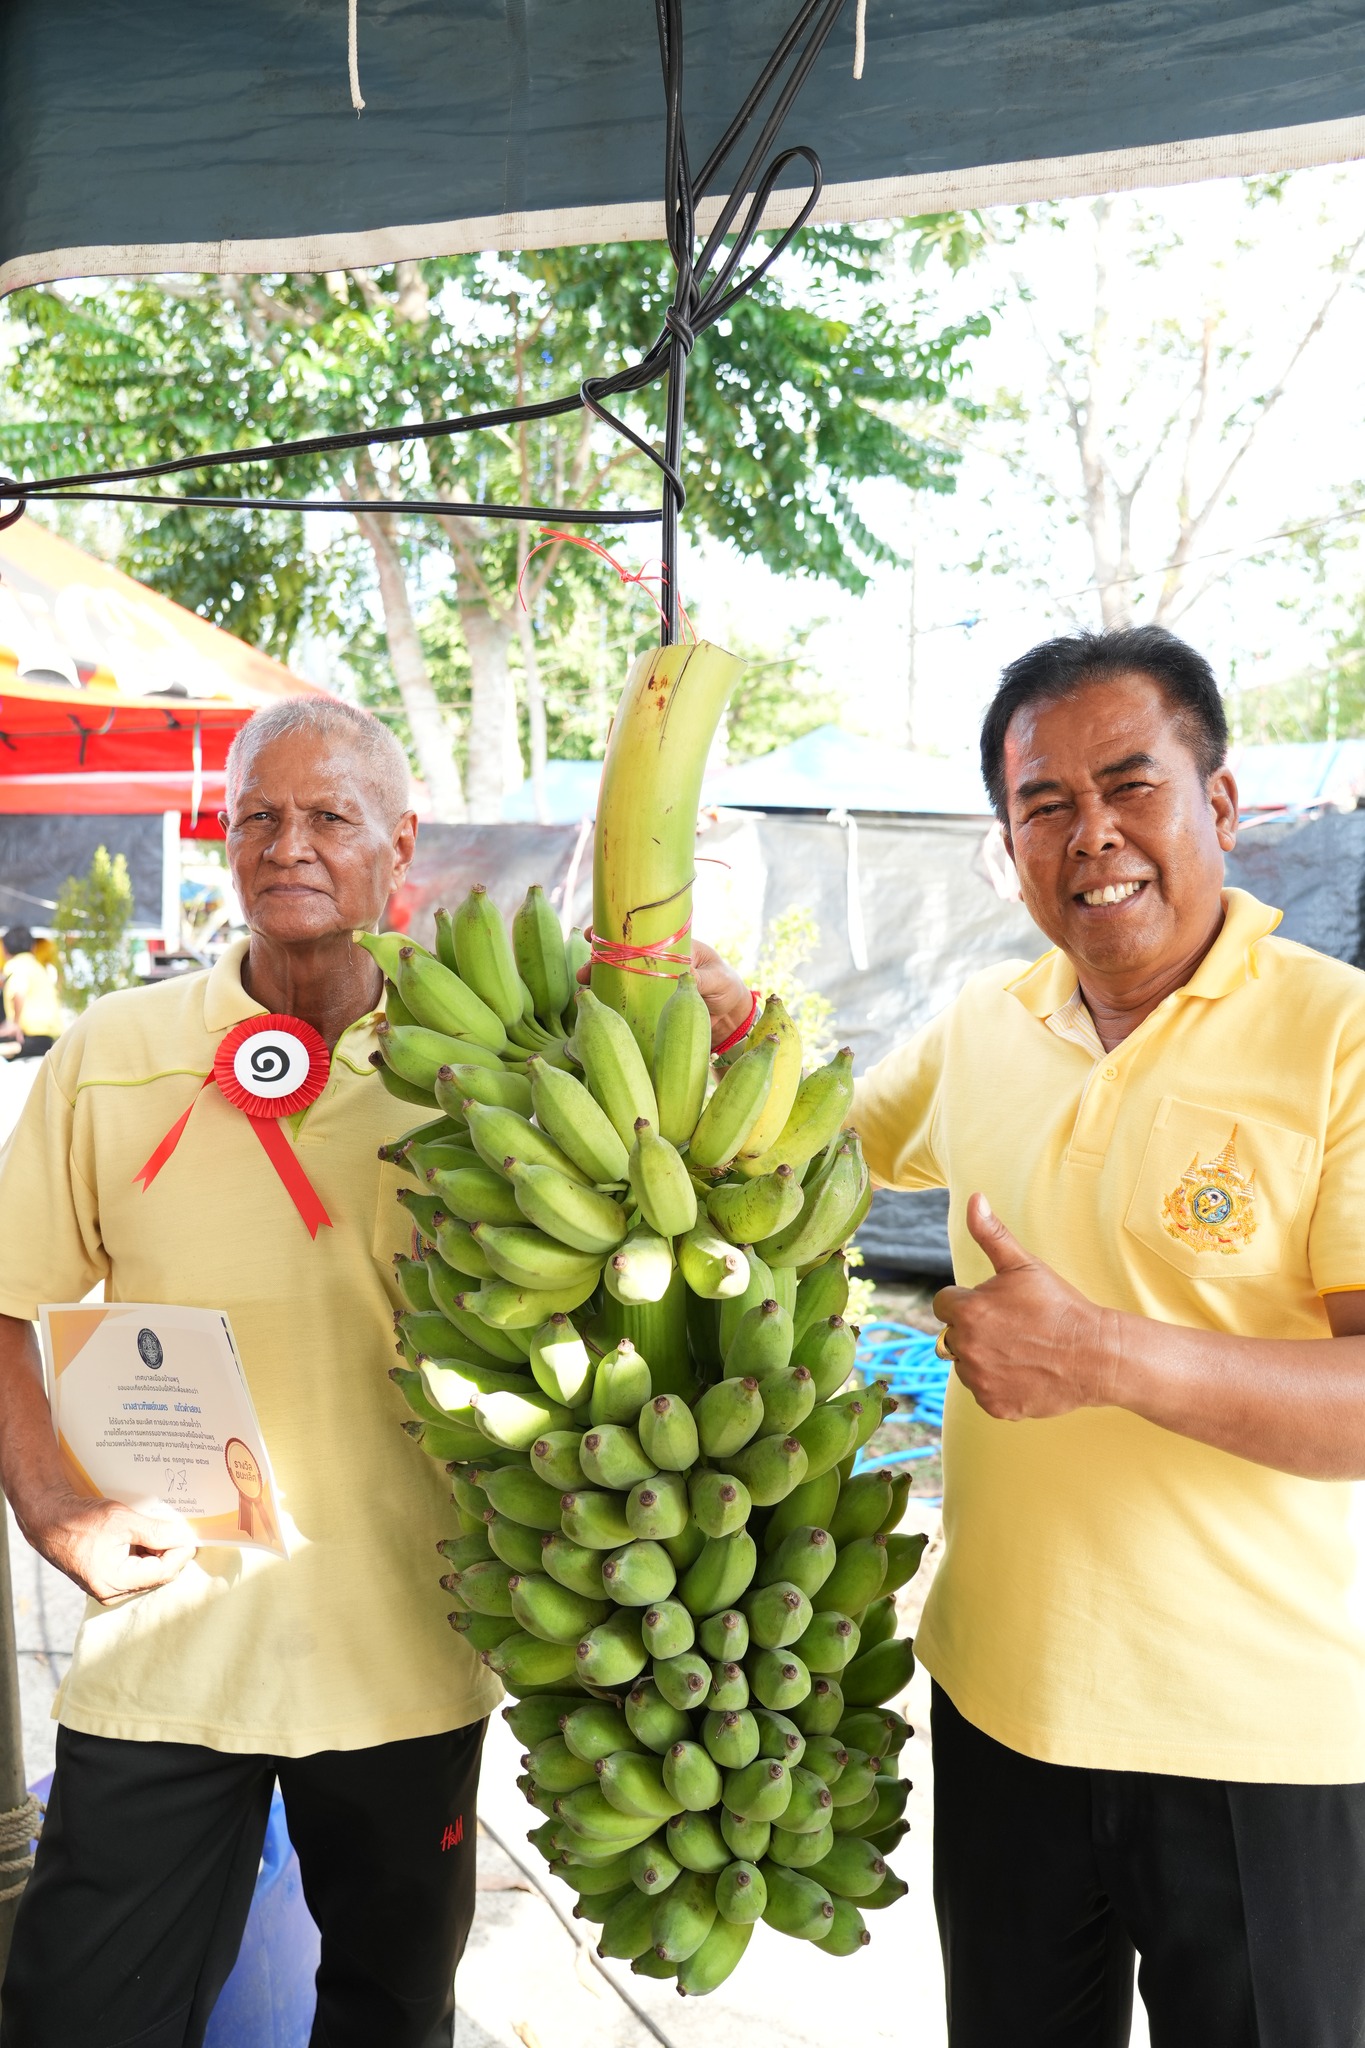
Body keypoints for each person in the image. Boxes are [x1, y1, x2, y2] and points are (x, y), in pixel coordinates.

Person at [695, 623, 1365, 2048]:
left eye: (1131, 785)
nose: (1091, 835)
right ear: (1008, 845)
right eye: (1043, 804)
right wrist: (738, 1027)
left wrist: (1105, 1356)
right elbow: (813, 1154)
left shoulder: (1339, 1038)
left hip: (1261, 1736)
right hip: (1005, 1705)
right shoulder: (979, 1022)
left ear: (1221, 802)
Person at [0, 700, 505, 2048]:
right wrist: (50, 1505)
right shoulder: (115, 1051)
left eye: (331, 815)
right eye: (258, 818)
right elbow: (5, 1298)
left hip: (406, 1640)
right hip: (170, 1634)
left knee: (391, 2017)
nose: (290, 845)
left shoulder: (494, 1069)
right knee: (75, 2012)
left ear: (402, 843)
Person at [0, 927, 63, 1059]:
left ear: (4, 949)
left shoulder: (16, 966)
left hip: (29, 1037)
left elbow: (19, 992)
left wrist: (15, 1024)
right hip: (50, 1038)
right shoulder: (38, 968)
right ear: (33, 947)